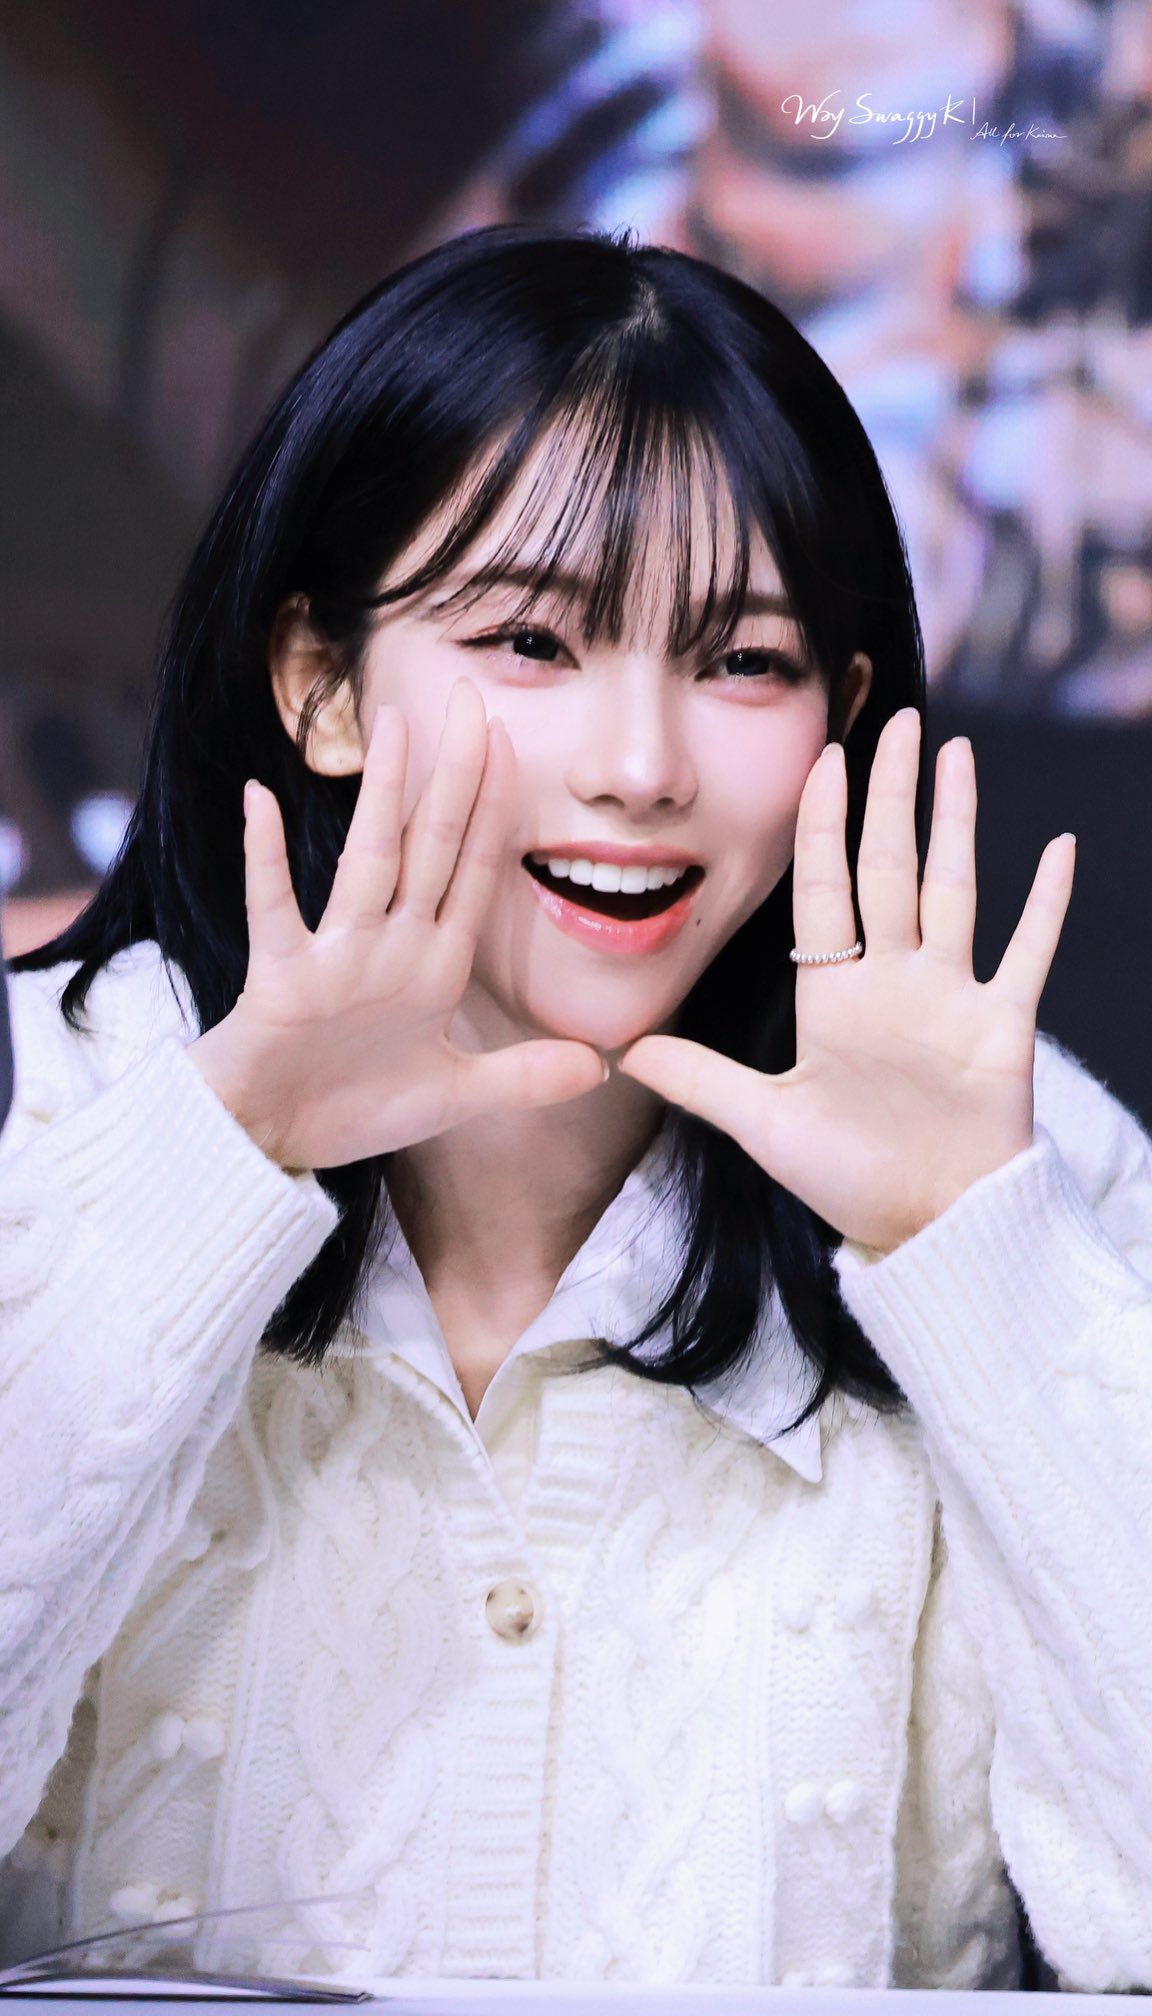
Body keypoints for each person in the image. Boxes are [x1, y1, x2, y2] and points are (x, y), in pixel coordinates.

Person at [0, 225, 1150, 1991]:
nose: (641, 766)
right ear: (320, 686)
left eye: (742, 661)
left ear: (840, 722)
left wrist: (973, 1263)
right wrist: (210, 1175)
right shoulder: (50, 1097)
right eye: (533, 638)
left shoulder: (1019, 1164)